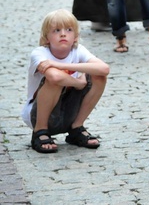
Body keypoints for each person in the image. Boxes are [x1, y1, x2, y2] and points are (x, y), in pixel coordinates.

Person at [22, 9, 110, 154]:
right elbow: (55, 77)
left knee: (99, 76)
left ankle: (76, 127)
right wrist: (77, 82)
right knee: (54, 80)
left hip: (68, 111)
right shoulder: (40, 53)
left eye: (69, 30)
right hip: (38, 114)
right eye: (56, 30)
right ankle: (40, 131)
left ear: (75, 37)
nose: (63, 34)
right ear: (46, 38)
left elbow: (104, 68)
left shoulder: (78, 50)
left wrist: (62, 65)